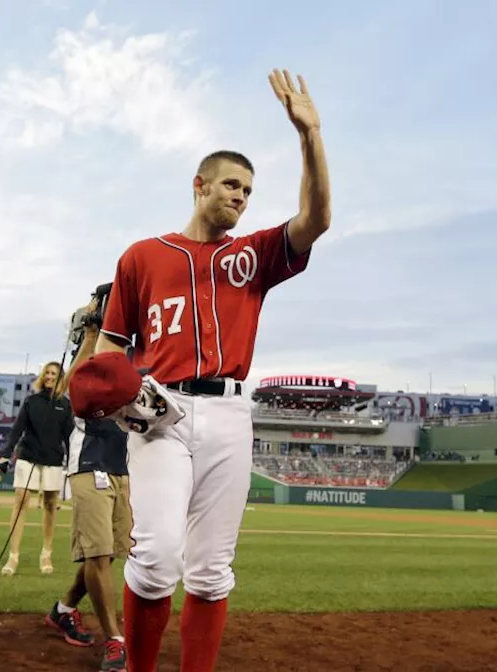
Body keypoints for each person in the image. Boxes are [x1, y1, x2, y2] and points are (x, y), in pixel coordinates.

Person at [85, 68, 330, 672]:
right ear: (199, 185)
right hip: (160, 413)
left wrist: (310, 135)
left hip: (229, 412)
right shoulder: (142, 256)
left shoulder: (254, 255)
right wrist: (116, 394)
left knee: (212, 570)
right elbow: (109, 348)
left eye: (248, 191)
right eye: (230, 185)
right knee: (157, 555)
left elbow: (317, 219)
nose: (241, 198)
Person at [45, 314, 133, 671]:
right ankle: (116, 640)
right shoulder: (89, 359)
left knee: (108, 555)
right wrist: (90, 334)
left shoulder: (126, 355)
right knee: (97, 556)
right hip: (88, 464)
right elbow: (70, 388)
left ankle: (63, 610)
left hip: (122, 467)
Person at [0, 358, 75, 576]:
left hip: (53, 460)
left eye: (54, 374)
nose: (49, 377)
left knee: (50, 504)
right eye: (47, 373)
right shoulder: (31, 401)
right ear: (42, 376)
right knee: (21, 500)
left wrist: (76, 464)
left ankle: (46, 553)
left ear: (61, 379)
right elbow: (16, 430)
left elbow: (69, 439)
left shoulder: (66, 405)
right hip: (27, 457)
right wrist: (4, 454)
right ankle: (13, 557)